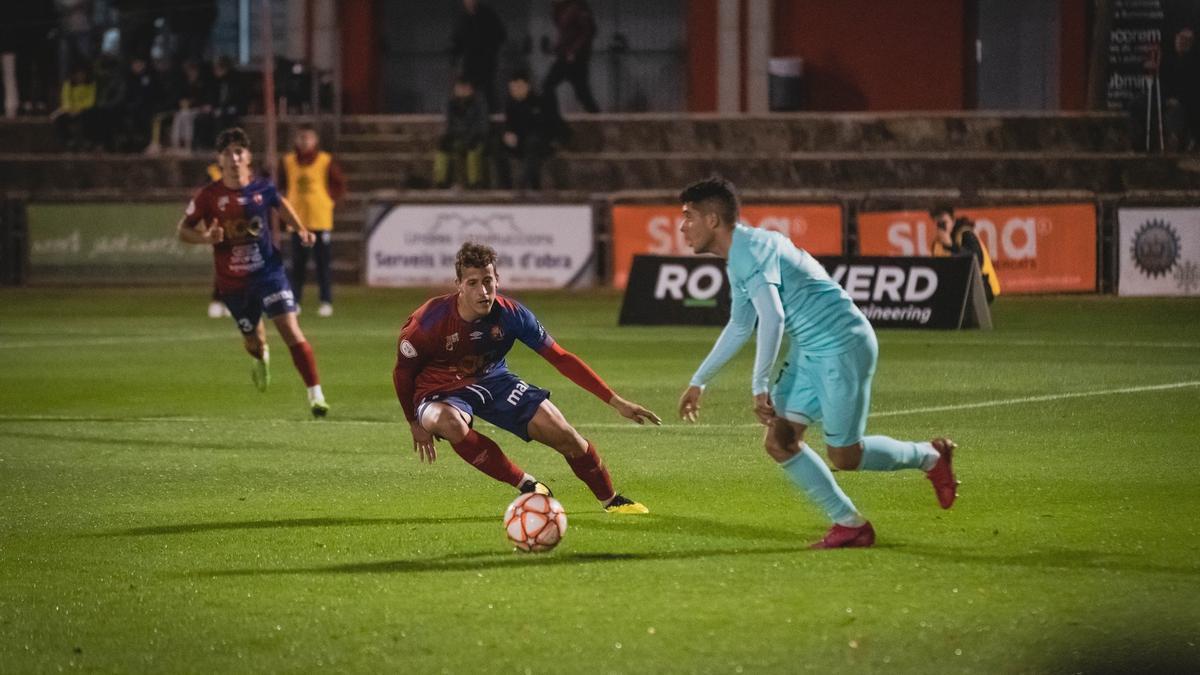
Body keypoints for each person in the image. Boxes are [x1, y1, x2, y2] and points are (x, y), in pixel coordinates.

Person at [675, 178, 958, 549]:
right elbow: (742, 324)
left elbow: (773, 319)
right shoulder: (742, 253)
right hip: (811, 349)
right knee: (780, 440)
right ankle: (850, 524)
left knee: (846, 456)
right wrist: (700, 380)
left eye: (688, 216)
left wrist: (760, 386)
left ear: (712, 220)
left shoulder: (749, 252)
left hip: (842, 346)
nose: (682, 227)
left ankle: (930, 457)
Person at [393, 241, 660, 512]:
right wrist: (414, 422)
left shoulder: (512, 315)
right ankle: (527, 485)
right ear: (458, 285)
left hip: (493, 380)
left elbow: (561, 358)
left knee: (566, 436)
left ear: (498, 279)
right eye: (472, 283)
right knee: (447, 422)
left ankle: (611, 501)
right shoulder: (428, 322)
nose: (483, 291)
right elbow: (403, 372)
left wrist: (615, 401)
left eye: (488, 281)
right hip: (439, 389)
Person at [177, 127, 330, 418]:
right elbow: (183, 230)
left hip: (268, 273)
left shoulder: (263, 188)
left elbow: (281, 206)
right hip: (233, 283)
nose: (234, 158)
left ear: (247, 157)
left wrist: (301, 229)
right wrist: (205, 238)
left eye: (238, 152)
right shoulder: (208, 196)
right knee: (254, 342)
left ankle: (316, 395)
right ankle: (261, 355)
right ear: (219, 160)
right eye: (227, 153)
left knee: (290, 329)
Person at [280, 124, 346, 317]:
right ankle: (295, 300)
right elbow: (280, 185)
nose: (304, 142)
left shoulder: (325, 161)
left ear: (315, 141)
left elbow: (339, 183)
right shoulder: (288, 161)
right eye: (301, 138)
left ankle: (325, 300)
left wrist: (329, 200)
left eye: (308, 138)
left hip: (319, 219)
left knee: (322, 263)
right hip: (297, 220)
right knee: (297, 263)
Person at [496, 68, 562, 190]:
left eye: (519, 87)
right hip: (520, 142)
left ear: (527, 86)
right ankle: (505, 187)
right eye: (513, 87)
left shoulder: (539, 101)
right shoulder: (510, 104)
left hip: (541, 143)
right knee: (497, 147)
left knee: (532, 144)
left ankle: (525, 185)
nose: (515, 90)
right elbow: (509, 124)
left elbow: (548, 127)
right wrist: (508, 134)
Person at [929, 204, 1000, 304]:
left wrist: (951, 246)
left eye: (944, 222)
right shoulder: (937, 244)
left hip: (982, 285)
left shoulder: (966, 235)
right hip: (959, 288)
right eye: (938, 224)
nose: (942, 227)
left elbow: (975, 261)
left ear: (953, 221)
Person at [542, 0, 599, 113]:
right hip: (566, 56)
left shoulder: (578, 7)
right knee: (582, 93)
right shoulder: (560, 10)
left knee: (550, 85)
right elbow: (566, 35)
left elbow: (589, 31)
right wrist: (554, 48)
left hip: (575, 58)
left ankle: (600, 121)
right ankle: (599, 121)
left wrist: (574, 51)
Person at [450, 0, 507, 112]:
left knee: (488, 91)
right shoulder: (463, 18)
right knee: (467, 92)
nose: (468, 2)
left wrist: (490, 49)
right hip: (470, 64)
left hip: (486, 62)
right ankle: (468, 115)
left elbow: (501, 35)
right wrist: (453, 60)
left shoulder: (488, 14)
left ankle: (493, 115)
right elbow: (457, 42)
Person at [434, 77, 490, 189]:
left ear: (471, 89)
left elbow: (483, 125)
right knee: (443, 146)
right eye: (459, 88)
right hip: (457, 137)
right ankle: (441, 182)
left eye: (465, 88)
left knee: (472, 148)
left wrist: (472, 136)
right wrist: (448, 135)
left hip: (476, 138)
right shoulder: (451, 104)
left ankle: (474, 183)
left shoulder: (479, 103)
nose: (462, 91)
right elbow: (449, 124)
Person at [51, 64, 97, 150]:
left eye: (82, 74)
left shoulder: (91, 85)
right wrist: (70, 109)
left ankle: (87, 141)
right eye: (78, 74)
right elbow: (66, 99)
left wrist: (78, 109)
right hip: (70, 110)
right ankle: (68, 140)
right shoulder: (68, 84)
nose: (80, 76)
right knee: (58, 118)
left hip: (84, 110)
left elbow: (90, 101)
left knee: (89, 115)